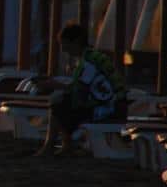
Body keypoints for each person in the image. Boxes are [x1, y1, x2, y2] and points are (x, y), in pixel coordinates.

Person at [34, 23, 127, 157]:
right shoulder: (91, 57)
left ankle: (56, 145)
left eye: (65, 44)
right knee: (61, 102)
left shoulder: (89, 62)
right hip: (114, 106)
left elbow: (79, 89)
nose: (63, 49)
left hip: (110, 109)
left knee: (59, 104)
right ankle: (62, 145)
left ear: (76, 42)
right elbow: (82, 88)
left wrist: (53, 85)